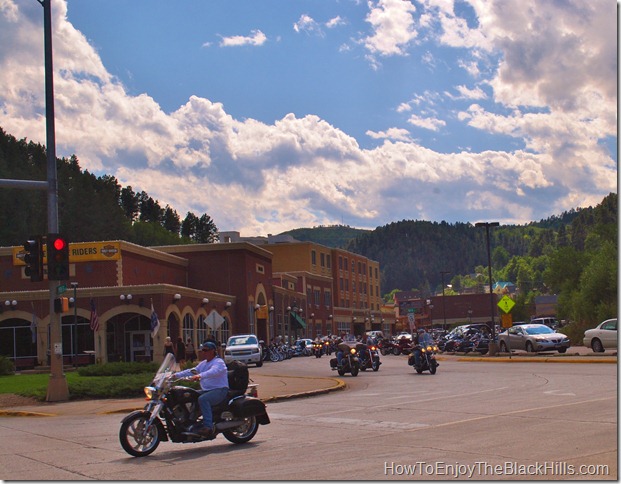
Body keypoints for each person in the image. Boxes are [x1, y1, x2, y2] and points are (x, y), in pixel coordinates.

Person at [173, 341, 229, 438]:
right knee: (189, 395)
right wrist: (175, 375)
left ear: (212, 351)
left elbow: (213, 371)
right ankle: (190, 422)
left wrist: (199, 376)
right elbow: (192, 371)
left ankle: (208, 427)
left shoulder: (218, 362)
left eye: (205, 350)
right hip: (207, 390)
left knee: (203, 399)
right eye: (202, 350)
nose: (203, 352)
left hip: (220, 390)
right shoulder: (203, 364)